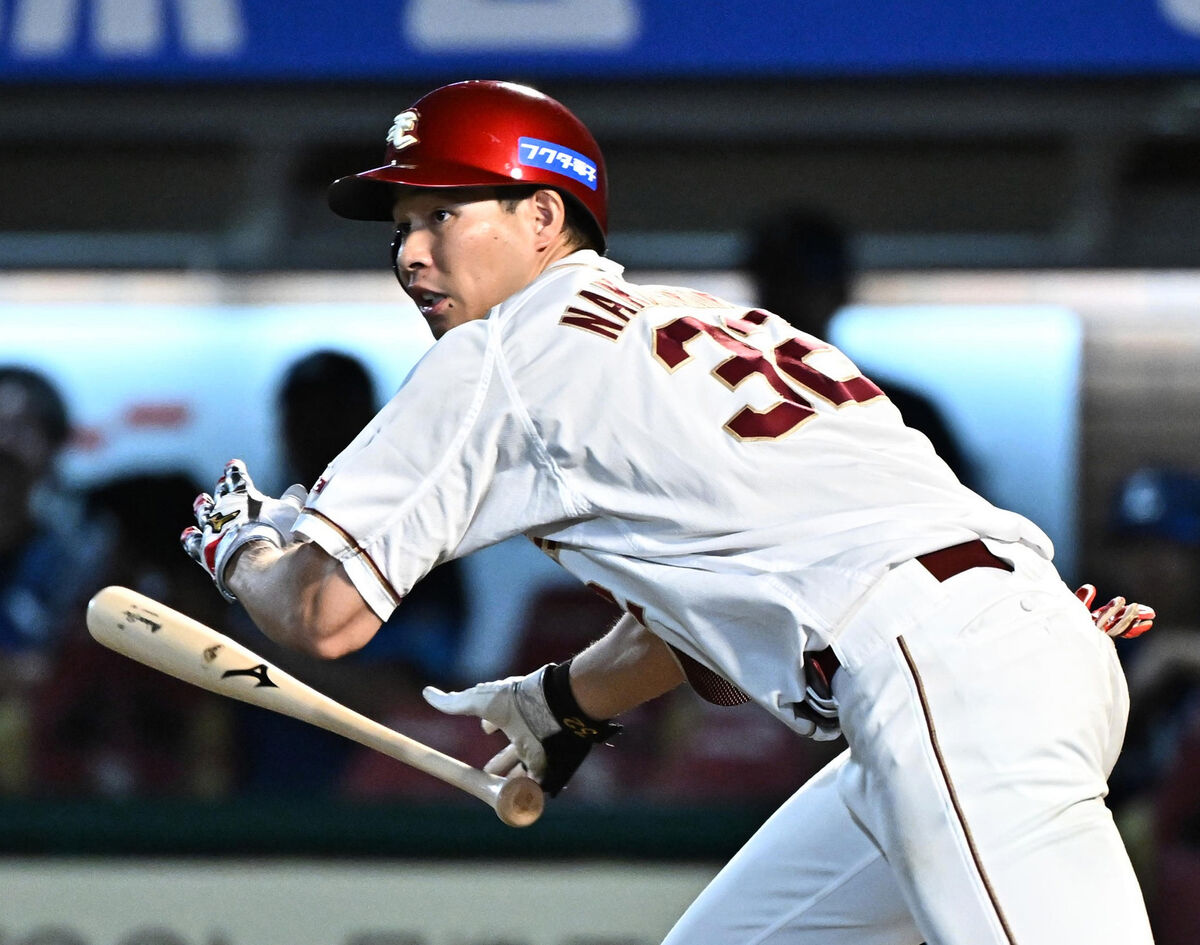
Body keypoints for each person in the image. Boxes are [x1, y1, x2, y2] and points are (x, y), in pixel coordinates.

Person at [181, 80, 1156, 944]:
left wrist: (245, 549)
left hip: (941, 675)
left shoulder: (504, 352)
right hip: (991, 651)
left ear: (543, 215)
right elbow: (726, 627)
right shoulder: (721, 324)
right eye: (402, 226)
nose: (412, 253)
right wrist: (566, 702)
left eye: (444, 213)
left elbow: (324, 613)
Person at [746, 208, 975, 489]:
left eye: (807, 280)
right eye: (781, 280)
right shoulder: (898, 409)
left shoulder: (902, 412)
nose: (793, 297)